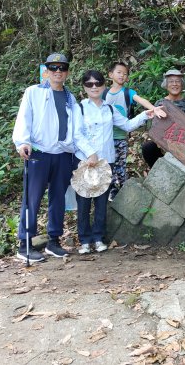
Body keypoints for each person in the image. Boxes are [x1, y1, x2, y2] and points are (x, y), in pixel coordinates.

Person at [73, 70, 160, 254]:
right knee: (84, 202)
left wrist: (146, 114)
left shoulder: (109, 108)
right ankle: (84, 240)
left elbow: (127, 125)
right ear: (84, 87)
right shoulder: (79, 108)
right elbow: (77, 134)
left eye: (97, 83)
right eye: (89, 84)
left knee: (101, 201)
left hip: (106, 162)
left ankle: (98, 238)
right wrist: (90, 153)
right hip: (86, 162)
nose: (94, 87)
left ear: (104, 85)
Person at [12, 53, 76, 262]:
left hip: (63, 153)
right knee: (32, 198)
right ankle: (25, 244)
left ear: (67, 72)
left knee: (58, 199)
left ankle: (54, 241)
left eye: (62, 68)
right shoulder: (33, 92)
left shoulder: (70, 96)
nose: (58, 72)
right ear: (46, 71)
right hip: (38, 152)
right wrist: (22, 142)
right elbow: (24, 118)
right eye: (53, 68)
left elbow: (77, 126)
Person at [103, 62, 166, 201]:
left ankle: (124, 185)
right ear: (110, 74)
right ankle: (112, 188)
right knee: (108, 162)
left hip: (121, 134)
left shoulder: (127, 92)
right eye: (119, 72)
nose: (122, 75)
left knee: (121, 162)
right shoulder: (104, 93)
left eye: (125, 74)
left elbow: (140, 100)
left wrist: (154, 109)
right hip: (105, 136)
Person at [141, 69, 185, 167]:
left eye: (177, 81)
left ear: (182, 85)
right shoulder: (160, 104)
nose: (174, 84)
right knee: (148, 147)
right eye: (171, 81)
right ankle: (157, 174)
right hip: (164, 143)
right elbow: (154, 127)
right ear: (166, 85)